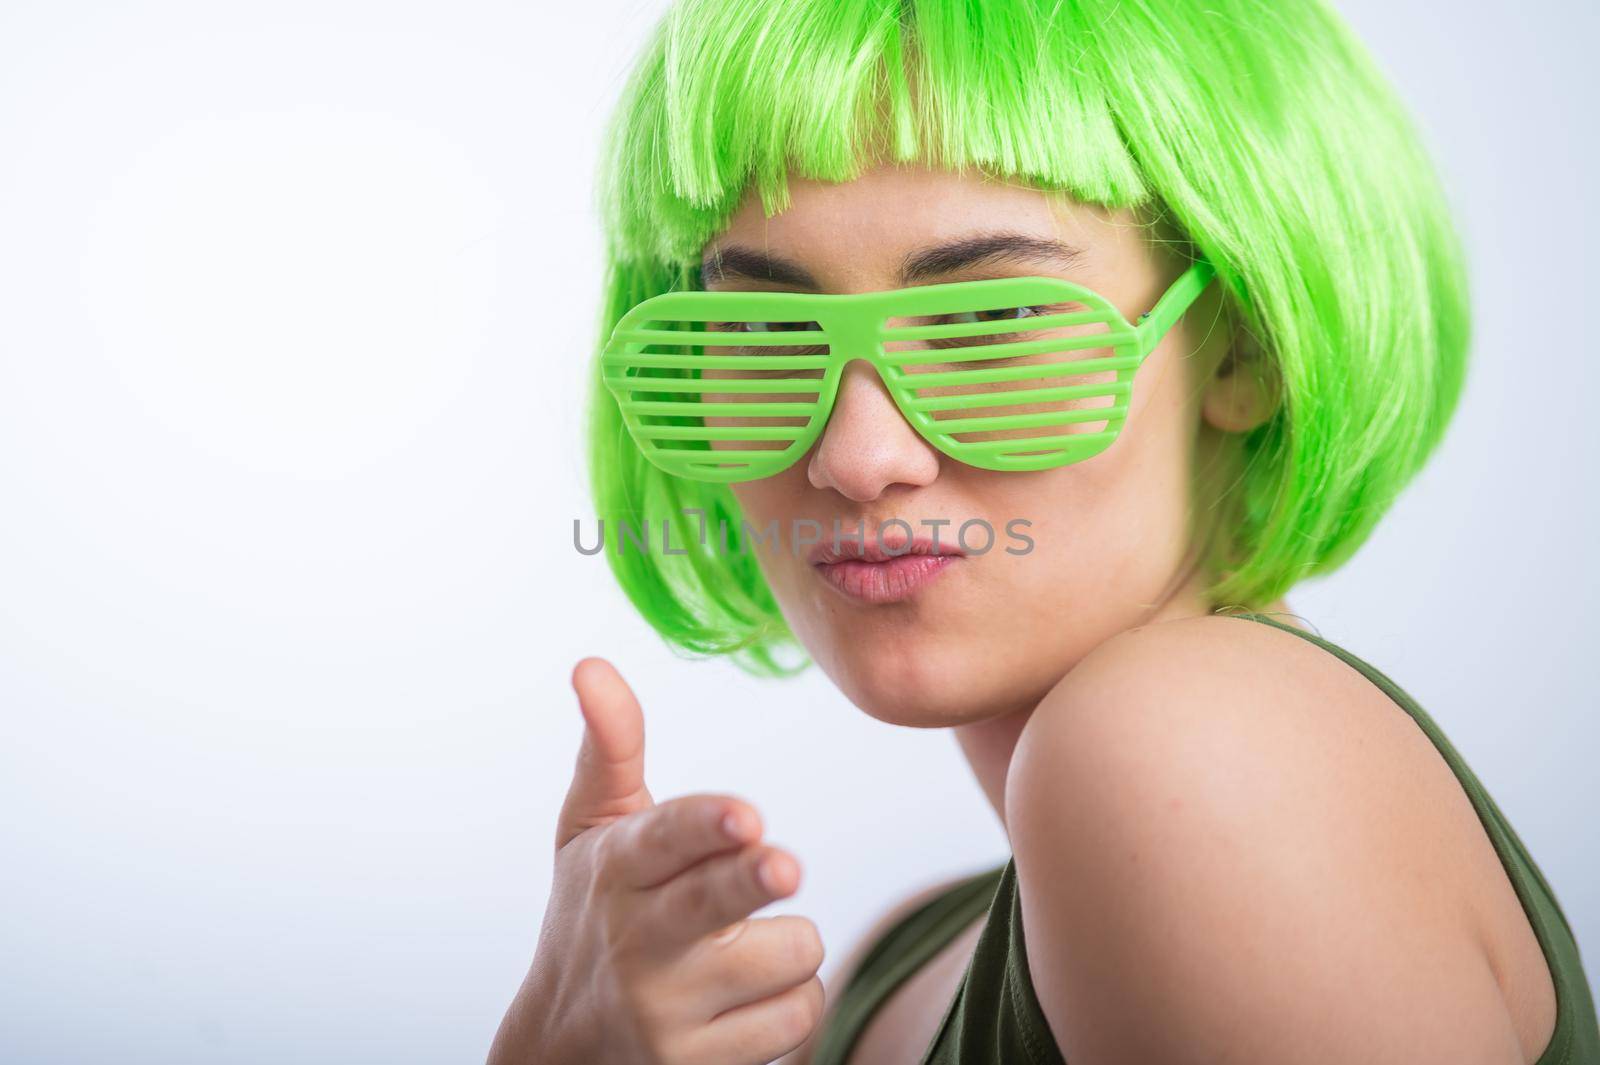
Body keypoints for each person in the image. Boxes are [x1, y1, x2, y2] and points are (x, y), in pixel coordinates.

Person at [488, 1, 1599, 1062]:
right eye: (762, 331)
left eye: (989, 321)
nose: (857, 456)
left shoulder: (1195, 751)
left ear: (1241, 348)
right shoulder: (896, 960)